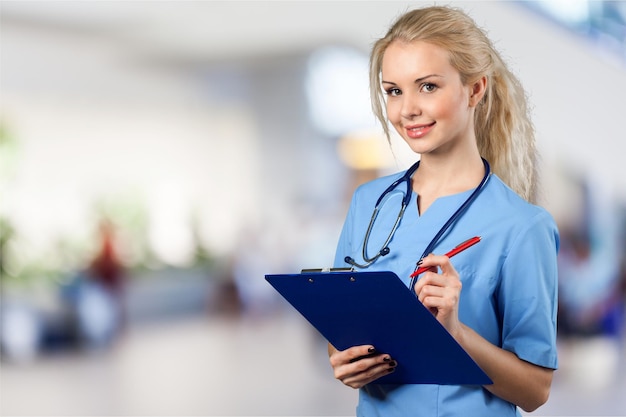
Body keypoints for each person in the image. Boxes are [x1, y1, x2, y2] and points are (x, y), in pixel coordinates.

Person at [328, 6, 559, 416]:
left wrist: (456, 334)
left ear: (475, 90)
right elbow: (342, 332)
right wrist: (345, 359)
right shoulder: (368, 203)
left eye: (428, 87)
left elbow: (535, 390)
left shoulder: (522, 226)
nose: (407, 109)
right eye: (394, 91)